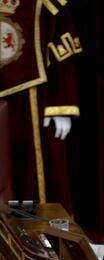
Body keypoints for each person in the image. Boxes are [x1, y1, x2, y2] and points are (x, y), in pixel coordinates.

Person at [0, 0, 82, 212]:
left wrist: (60, 103)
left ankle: (40, 240)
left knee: (34, 178)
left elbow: (62, 50)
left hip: (34, 99)